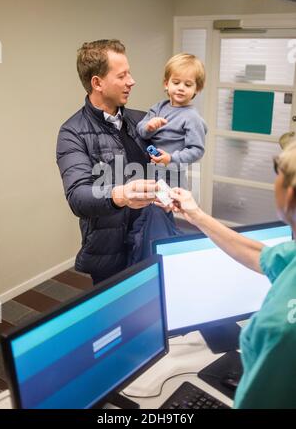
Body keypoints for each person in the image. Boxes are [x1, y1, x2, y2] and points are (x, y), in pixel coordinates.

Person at [169, 140, 296, 409]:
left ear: (290, 194)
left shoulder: (284, 332)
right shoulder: (292, 255)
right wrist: (196, 216)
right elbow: (258, 254)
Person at [56, 39, 158, 284]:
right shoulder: (72, 133)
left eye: (129, 74)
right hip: (110, 254)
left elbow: (167, 162)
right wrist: (120, 195)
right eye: (122, 76)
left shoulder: (142, 121)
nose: (131, 81)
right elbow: (78, 197)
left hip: (150, 240)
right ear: (97, 83)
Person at [136, 53, 207, 188]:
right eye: (176, 82)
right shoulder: (158, 107)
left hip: (172, 178)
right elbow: (141, 130)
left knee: (170, 207)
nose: (181, 87)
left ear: (196, 89)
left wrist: (171, 159)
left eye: (188, 84)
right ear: (166, 84)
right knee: (148, 206)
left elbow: (196, 150)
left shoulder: (192, 117)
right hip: (148, 172)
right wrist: (148, 127)